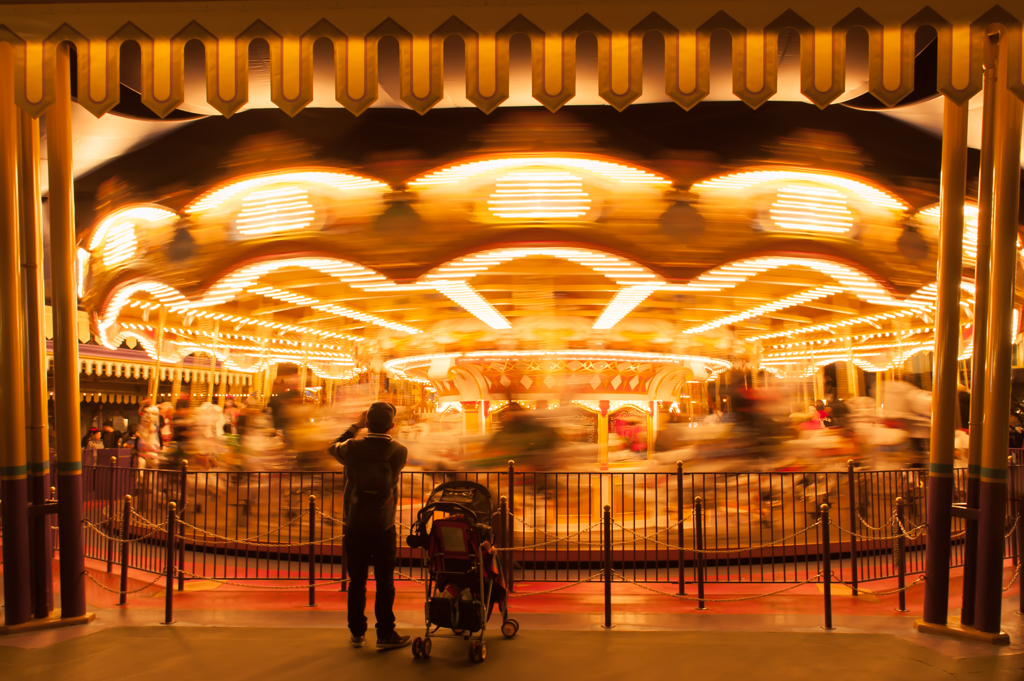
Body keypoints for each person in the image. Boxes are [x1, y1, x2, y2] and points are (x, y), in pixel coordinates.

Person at [329, 402, 410, 650]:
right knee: (385, 581)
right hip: (384, 523)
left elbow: (332, 447)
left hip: (355, 521)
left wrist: (355, 426)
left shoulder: (352, 447)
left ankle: (357, 633)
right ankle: (385, 632)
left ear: (367, 423)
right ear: (392, 425)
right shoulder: (399, 451)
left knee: (357, 581)